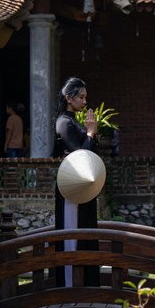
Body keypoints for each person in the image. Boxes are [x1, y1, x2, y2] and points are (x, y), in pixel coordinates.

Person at [53, 76, 99, 287]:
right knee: (73, 235)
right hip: (71, 187)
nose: (84, 101)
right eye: (81, 97)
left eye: (85, 97)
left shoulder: (74, 121)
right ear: (69, 98)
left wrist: (91, 134)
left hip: (83, 187)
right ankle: (71, 286)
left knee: (87, 231)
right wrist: (90, 134)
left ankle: (87, 284)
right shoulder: (64, 122)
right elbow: (80, 158)